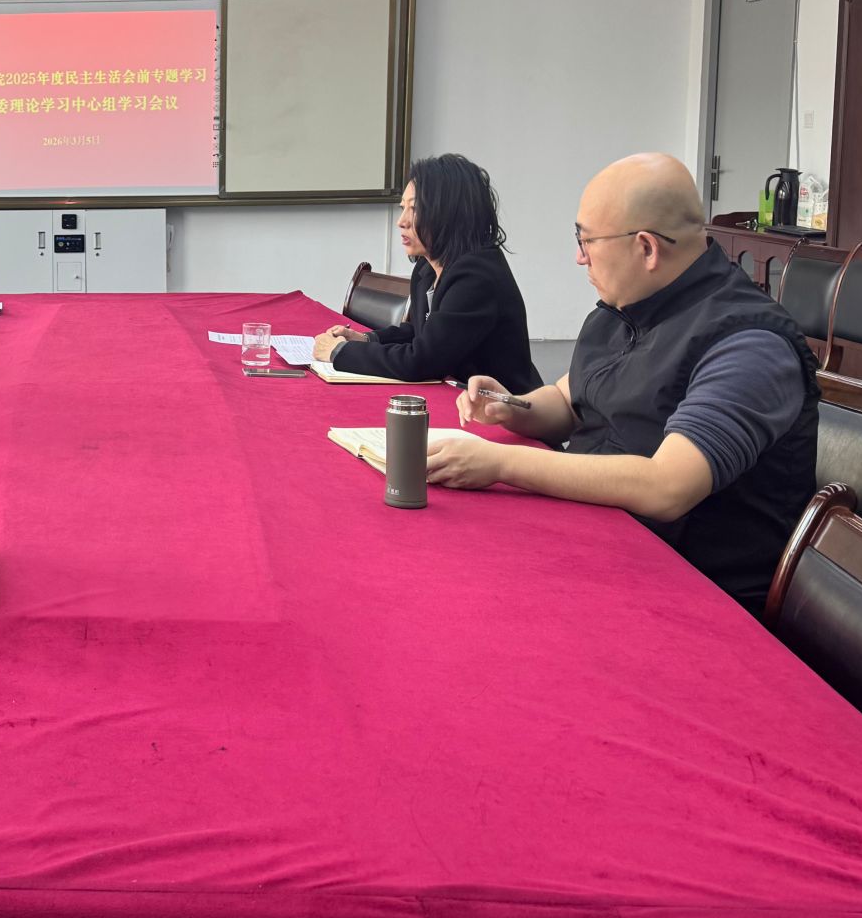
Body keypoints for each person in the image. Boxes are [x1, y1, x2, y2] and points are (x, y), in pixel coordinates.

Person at [426, 152, 818, 610]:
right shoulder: (626, 310)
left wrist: (499, 463)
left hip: (688, 591)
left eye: (586, 240)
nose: (579, 257)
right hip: (600, 545)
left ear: (646, 248)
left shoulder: (749, 343)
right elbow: (566, 402)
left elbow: (666, 486)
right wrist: (512, 406)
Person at [311, 154, 541, 391]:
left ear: (450, 212)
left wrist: (340, 352)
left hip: (503, 406)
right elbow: (421, 332)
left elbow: (422, 361)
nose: (401, 221)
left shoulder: (476, 276)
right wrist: (366, 339)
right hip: (461, 396)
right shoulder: (427, 268)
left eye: (415, 209)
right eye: (403, 208)